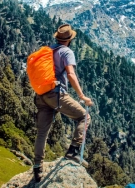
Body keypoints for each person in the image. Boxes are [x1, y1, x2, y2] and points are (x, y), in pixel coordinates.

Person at [33, 24, 93, 182]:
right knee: (84, 117)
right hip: (57, 95)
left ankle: (37, 167)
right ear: (69, 40)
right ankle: (73, 151)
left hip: (42, 95)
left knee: (42, 133)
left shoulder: (49, 50)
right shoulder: (66, 51)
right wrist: (82, 96)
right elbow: (71, 74)